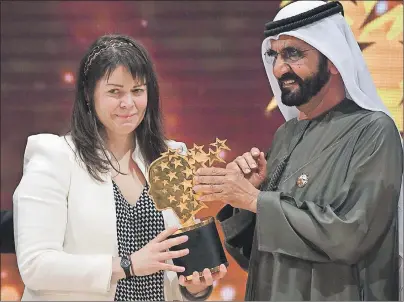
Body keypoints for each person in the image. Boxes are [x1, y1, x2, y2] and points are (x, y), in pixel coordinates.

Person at [192, 1, 403, 301]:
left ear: (333, 58)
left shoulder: (374, 131)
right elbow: (261, 258)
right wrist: (245, 203)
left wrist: (256, 200)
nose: (279, 68)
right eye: (274, 55)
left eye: (293, 54)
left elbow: (351, 236)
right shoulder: (286, 135)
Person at [13, 34, 226, 301]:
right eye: (115, 92)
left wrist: (195, 287)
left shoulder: (171, 158)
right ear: (89, 95)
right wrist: (128, 265)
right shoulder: (55, 157)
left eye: (137, 91)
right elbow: (36, 266)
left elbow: (175, 266)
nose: (128, 103)